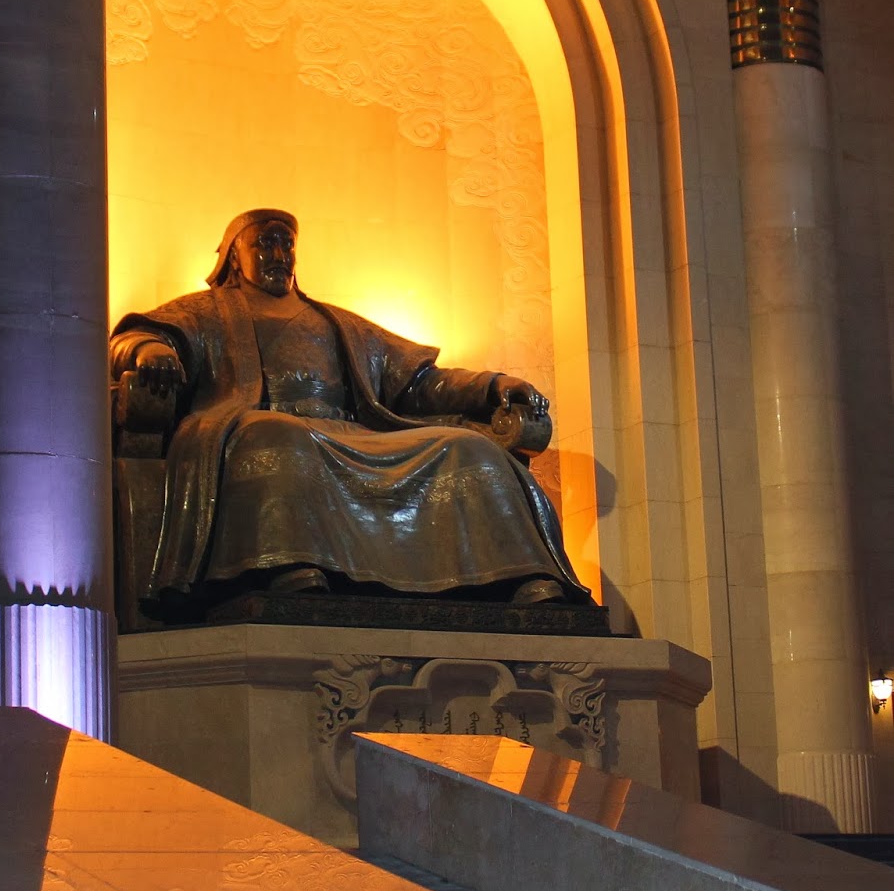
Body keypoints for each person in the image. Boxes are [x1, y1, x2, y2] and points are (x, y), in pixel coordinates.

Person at [109, 208, 590, 609]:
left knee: (469, 448)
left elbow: (421, 382)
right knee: (277, 435)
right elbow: (133, 338)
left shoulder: (336, 322)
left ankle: (520, 576)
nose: (279, 254)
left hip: (352, 433)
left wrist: (493, 385)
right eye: (265, 244)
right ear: (235, 256)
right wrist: (149, 351)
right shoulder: (205, 311)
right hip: (257, 424)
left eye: (286, 244)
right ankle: (292, 568)